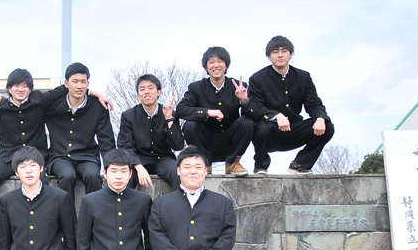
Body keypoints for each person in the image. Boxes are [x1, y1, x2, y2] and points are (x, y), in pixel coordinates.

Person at [0, 68, 112, 196]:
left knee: (42, 181)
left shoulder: (39, 101)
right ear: (9, 88)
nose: (21, 89)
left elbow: (67, 89)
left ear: (30, 89)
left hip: (36, 157)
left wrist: (95, 93)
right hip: (7, 157)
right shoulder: (0, 105)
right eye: (16, 86)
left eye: (25, 86)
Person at [248, 36, 334, 174]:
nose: (280, 55)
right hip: (270, 133)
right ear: (269, 56)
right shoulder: (257, 79)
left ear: (291, 54)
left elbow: (314, 103)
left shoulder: (303, 77)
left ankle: (300, 165)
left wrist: (320, 117)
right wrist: (276, 116)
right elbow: (256, 106)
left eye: (284, 51)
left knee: (327, 126)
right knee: (260, 127)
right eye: (275, 52)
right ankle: (260, 166)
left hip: (294, 131)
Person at [45, 62, 116, 209]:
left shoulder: (98, 106)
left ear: (88, 84)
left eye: (83, 82)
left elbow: (106, 139)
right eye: (75, 81)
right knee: (67, 176)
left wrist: (111, 166)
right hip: (59, 156)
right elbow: (34, 101)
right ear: (66, 83)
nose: (79, 86)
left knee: (93, 176)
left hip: (87, 156)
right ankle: (67, 220)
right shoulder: (52, 104)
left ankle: (94, 218)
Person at [176, 47, 253, 177]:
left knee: (247, 123)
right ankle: (204, 163)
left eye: (220, 61)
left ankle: (233, 163)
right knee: (190, 125)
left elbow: (254, 115)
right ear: (206, 67)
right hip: (205, 142)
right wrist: (207, 112)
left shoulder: (239, 86)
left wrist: (245, 101)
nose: (216, 65)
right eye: (211, 62)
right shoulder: (196, 87)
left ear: (226, 65)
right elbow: (181, 110)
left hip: (229, 140)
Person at [117, 74, 183, 192]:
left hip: (163, 159)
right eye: (142, 89)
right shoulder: (128, 116)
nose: (146, 92)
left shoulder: (170, 113)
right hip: (138, 160)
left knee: (177, 173)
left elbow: (178, 145)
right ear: (138, 95)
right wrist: (138, 166)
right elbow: (125, 146)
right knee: (125, 176)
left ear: (159, 92)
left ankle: (179, 203)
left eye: (151, 88)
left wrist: (169, 119)